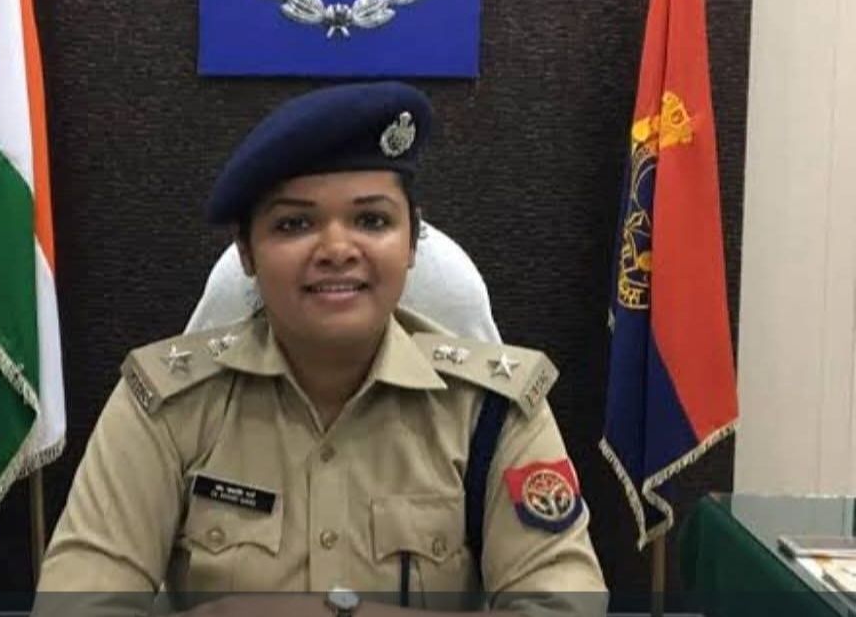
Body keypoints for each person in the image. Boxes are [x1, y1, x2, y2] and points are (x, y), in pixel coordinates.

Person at [36, 82, 607, 616]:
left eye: (371, 220)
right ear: (246, 253)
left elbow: (563, 603)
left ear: (412, 242)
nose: (337, 248)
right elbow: (77, 603)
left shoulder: (494, 412)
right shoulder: (164, 407)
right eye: (294, 224)